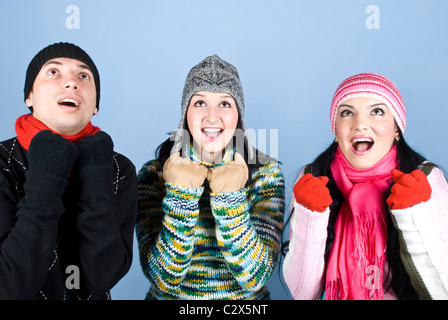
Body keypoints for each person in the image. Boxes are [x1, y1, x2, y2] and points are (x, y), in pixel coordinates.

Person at [282, 73, 448, 300]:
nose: (360, 124)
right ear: (335, 130)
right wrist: (310, 218)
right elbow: (302, 293)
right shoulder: (314, 177)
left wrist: (413, 217)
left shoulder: (426, 179)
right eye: (347, 113)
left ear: (396, 128)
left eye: (377, 111)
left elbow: (443, 292)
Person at [136, 55, 285, 300]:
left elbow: (255, 278)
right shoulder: (154, 175)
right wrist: (180, 197)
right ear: (185, 113)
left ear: (239, 115)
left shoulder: (265, 175)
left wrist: (230, 200)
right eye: (200, 103)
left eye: (225, 104)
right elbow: (162, 279)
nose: (212, 117)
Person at [0, 42, 137, 300]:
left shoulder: (119, 169)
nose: (71, 83)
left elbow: (102, 278)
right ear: (29, 96)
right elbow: (10, 286)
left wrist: (96, 175)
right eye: (54, 72)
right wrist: (48, 170)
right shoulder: (3, 162)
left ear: (95, 104)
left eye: (84, 76)